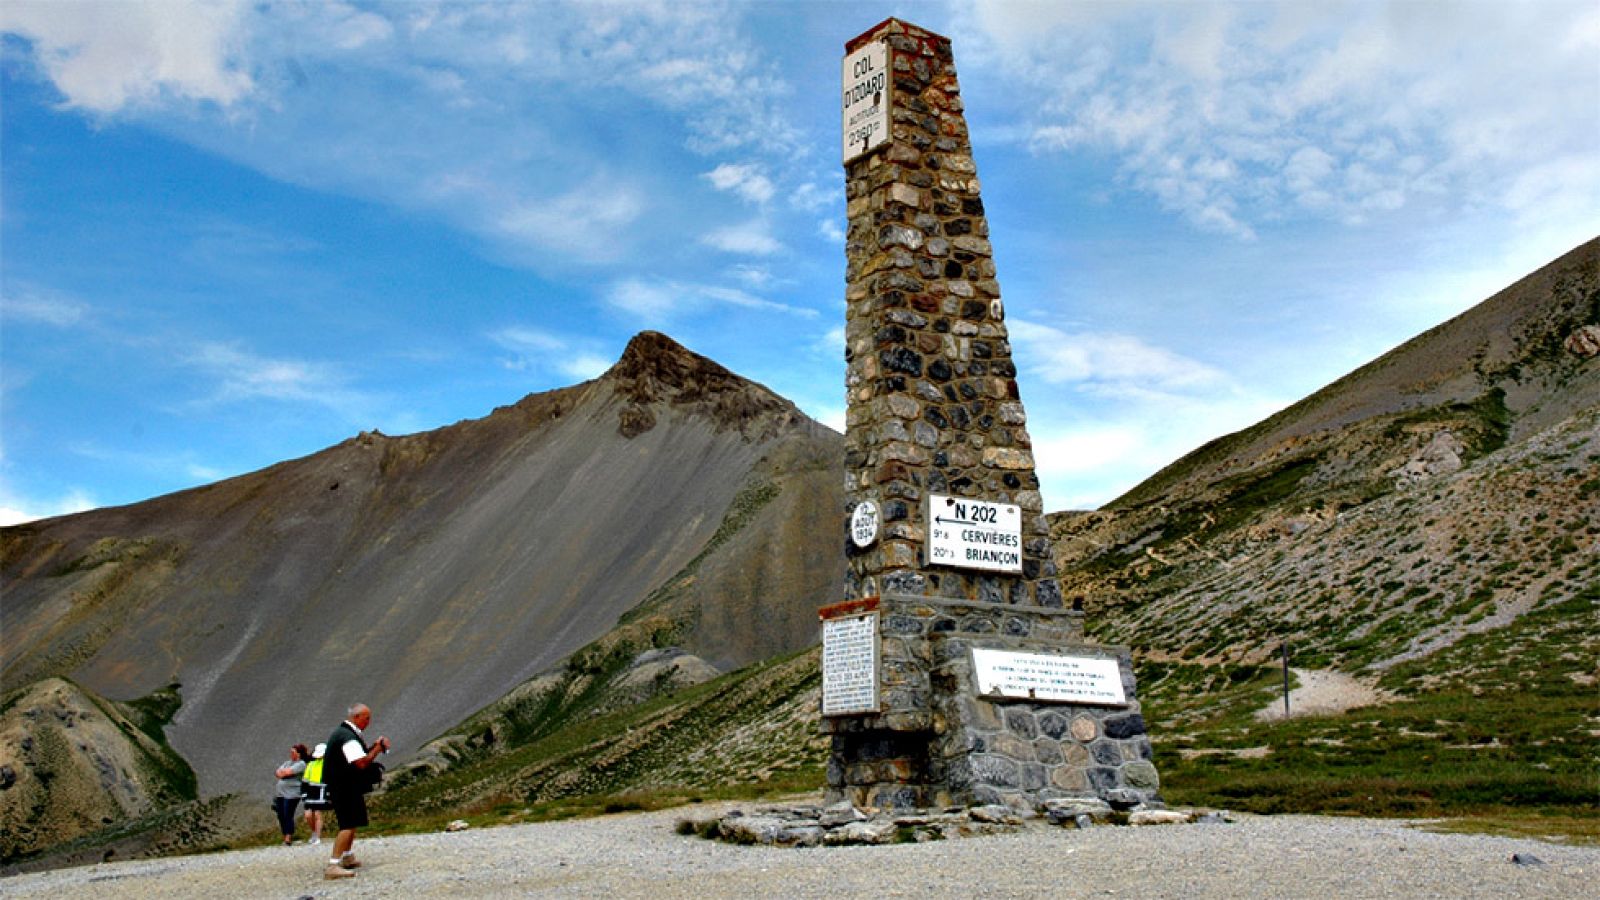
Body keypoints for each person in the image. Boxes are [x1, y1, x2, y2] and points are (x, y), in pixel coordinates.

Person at [320, 703, 390, 880]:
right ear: (356, 717)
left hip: (343, 785)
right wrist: (377, 749)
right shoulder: (348, 737)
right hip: (344, 786)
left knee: (353, 821)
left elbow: (356, 757)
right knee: (347, 824)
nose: (369, 722)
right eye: (367, 718)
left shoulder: (343, 733)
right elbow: (360, 763)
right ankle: (333, 865)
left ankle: (347, 856)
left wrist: (372, 748)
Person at [272, 744, 310, 845]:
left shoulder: (301, 764)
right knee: (281, 815)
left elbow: (287, 772)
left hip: (292, 794)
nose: (291, 754)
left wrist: (283, 772)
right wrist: (282, 772)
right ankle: (284, 834)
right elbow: (277, 772)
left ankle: (288, 837)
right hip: (281, 793)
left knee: (288, 813)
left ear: (299, 754)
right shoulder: (287, 762)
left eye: (293, 752)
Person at [300, 742, 328, 845]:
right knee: (308, 815)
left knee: (317, 814)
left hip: (321, 791)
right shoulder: (311, 764)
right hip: (311, 791)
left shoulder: (328, 764)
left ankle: (317, 836)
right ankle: (314, 832)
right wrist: (303, 793)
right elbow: (305, 781)